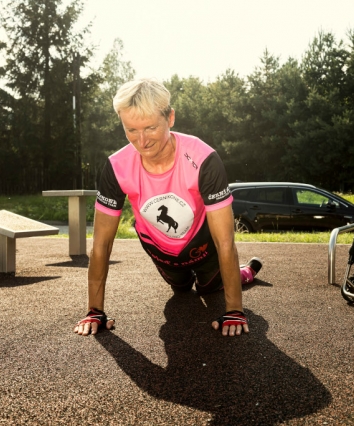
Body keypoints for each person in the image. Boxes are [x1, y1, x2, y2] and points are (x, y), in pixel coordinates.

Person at [73, 78, 262, 338]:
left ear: (170, 117)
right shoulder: (116, 166)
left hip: (204, 247)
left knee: (209, 288)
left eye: (150, 128)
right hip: (160, 251)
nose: (142, 141)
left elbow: (225, 241)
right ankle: (187, 274)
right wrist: (95, 310)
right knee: (182, 289)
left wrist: (234, 310)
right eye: (131, 130)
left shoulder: (204, 158)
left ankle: (246, 273)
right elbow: (101, 244)